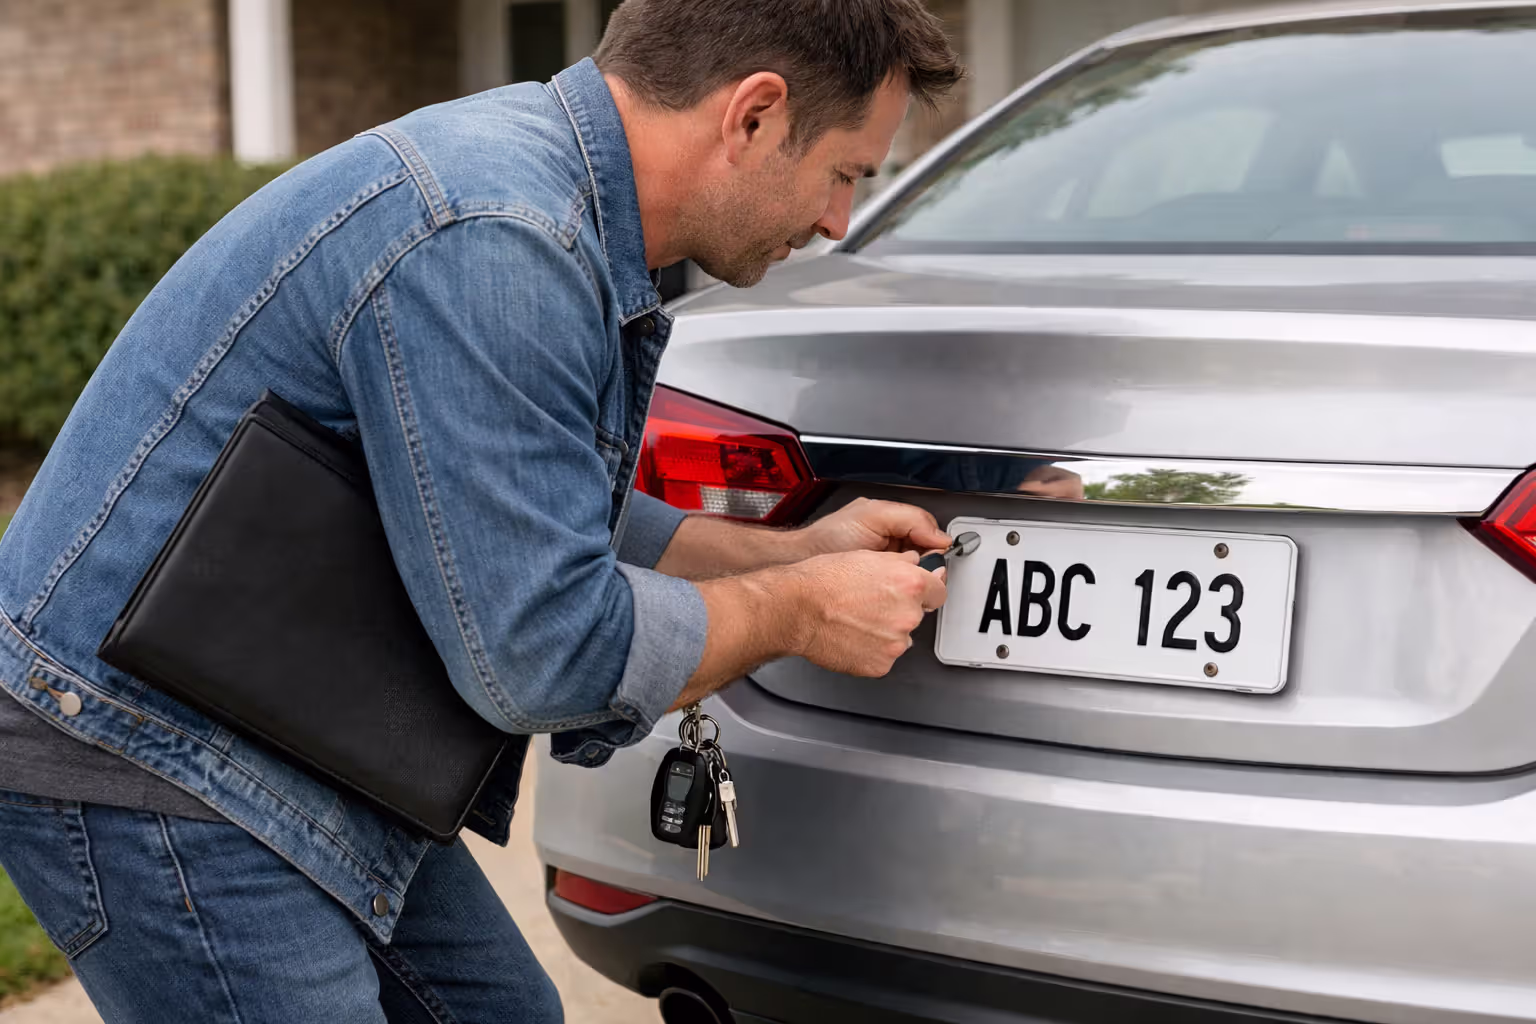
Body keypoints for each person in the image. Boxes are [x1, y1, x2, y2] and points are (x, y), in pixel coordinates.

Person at [0, 1, 962, 1020]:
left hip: (281, 719)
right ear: (754, 115)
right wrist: (797, 607)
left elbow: (526, 508)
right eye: (848, 173)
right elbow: (543, 653)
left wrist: (791, 548)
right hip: (146, 743)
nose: (836, 222)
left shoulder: (546, 201)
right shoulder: (498, 234)